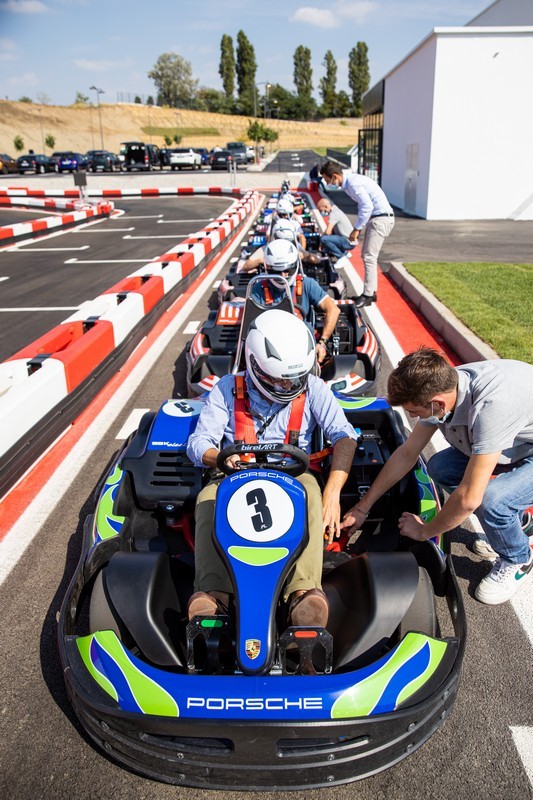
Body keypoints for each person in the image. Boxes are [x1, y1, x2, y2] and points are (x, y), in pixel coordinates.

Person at [186, 309, 357, 627]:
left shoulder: (314, 389)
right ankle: (214, 593)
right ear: (254, 365)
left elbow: (345, 438)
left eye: (294, 377)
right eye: (279, 378)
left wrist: (332, 493)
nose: (288, 384)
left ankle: (303, 594)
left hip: (293, 475)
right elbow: (198, 443)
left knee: (312, 492)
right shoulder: (227, 388)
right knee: (208, 499)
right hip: (233, 476)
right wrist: (220, 457)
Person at [341, 347, 533, 605]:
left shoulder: (490, 408)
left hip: (523, 442)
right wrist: (363, 507)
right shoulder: (442, 387)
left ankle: (518, 558)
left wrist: (424, 531)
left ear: (437, 404)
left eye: (414, 412)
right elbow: (407, 454)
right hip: (519, 437)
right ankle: (517, 523)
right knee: (440, 468)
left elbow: (468, 500)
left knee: (491, 501)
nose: (412, 417)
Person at [249, 239, 340, 365]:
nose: (283, 275)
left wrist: (322, 342)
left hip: (303, 346)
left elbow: (333, 309)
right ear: (267, 267)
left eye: (287, 270)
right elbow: (252, 326)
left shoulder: (307, 284)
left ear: (294, 265)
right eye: (277, 271)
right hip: (271, 349)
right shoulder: (258, 289)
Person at [319, 161, 395, 308]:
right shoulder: (350, 184)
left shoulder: (353, 183)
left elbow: (367, 206)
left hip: (381, 218)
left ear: (335, 176)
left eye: (328, 181)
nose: (328, 184)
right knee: (367, 256)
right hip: (378, 218)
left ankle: (368, 295)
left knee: (369, 257)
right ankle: (370, 293)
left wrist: (357, 228)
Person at [316, 197, 356, 269]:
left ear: (326, 207)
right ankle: (345, 253)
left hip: (347, 241)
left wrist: (321, 243)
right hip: (349, 240)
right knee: (329, 238)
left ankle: (341, 257)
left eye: (321, 210)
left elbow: (328, 231)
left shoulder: (334, 213)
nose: (321, 212)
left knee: (324, 239)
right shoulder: (335, 210)